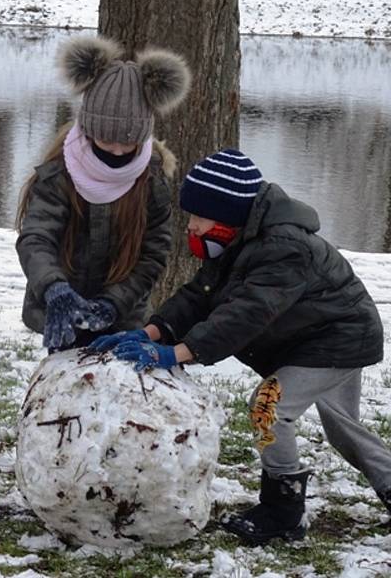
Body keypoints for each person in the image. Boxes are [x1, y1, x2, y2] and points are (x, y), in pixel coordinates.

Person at [90, 149, 391, 545]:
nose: (193, 227)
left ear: (226, 213)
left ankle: (283, 512)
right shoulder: (241, 239)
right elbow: (201, 296)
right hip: (315, 337)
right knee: (343, 430)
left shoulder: (284, 246)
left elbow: (245, 315)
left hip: (335, 340)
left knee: (268, 408)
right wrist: (149, 333)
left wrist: (176, 354)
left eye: (199, 217)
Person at [15, 35, 191, 351]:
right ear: (88, 130)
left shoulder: (151, 182)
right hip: (61, 309)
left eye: (128, 142)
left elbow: (154, 253)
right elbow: (36, 239)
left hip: (123, 315)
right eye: (106, 140)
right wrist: (54, 289)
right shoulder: (59, 175)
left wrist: (114, 303)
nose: (118, 150)